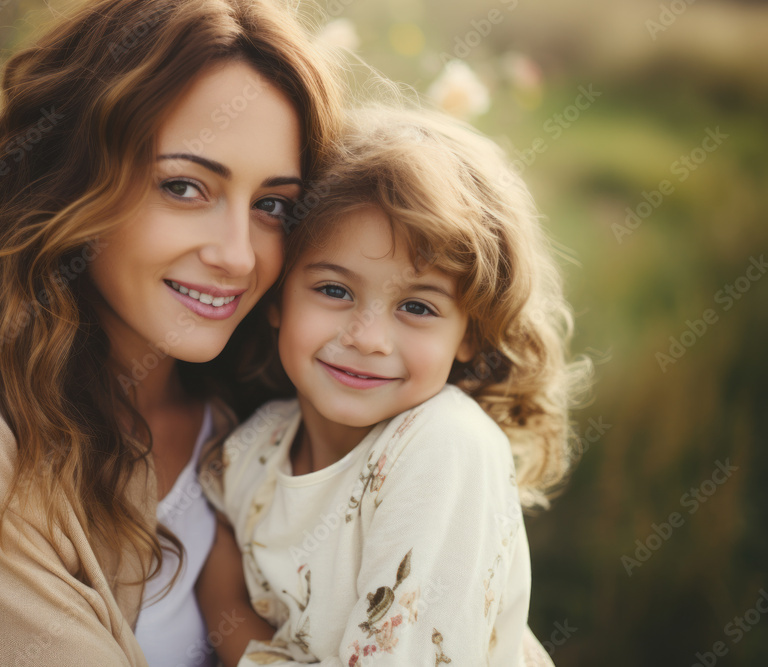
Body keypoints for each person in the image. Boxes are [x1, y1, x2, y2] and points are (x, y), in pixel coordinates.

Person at [0, 0, 344, 664]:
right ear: (72, 178)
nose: (240, 256)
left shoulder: (266, 411)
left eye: (272, 204)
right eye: (184, 187)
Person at [196, 106, 593, 666]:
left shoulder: (444, 447)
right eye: (334, 290)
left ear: (470, 335)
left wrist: (235, 639)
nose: (368, 338)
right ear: (279, 297)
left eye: (416, 306)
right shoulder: (254, 450)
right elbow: (217, 573)